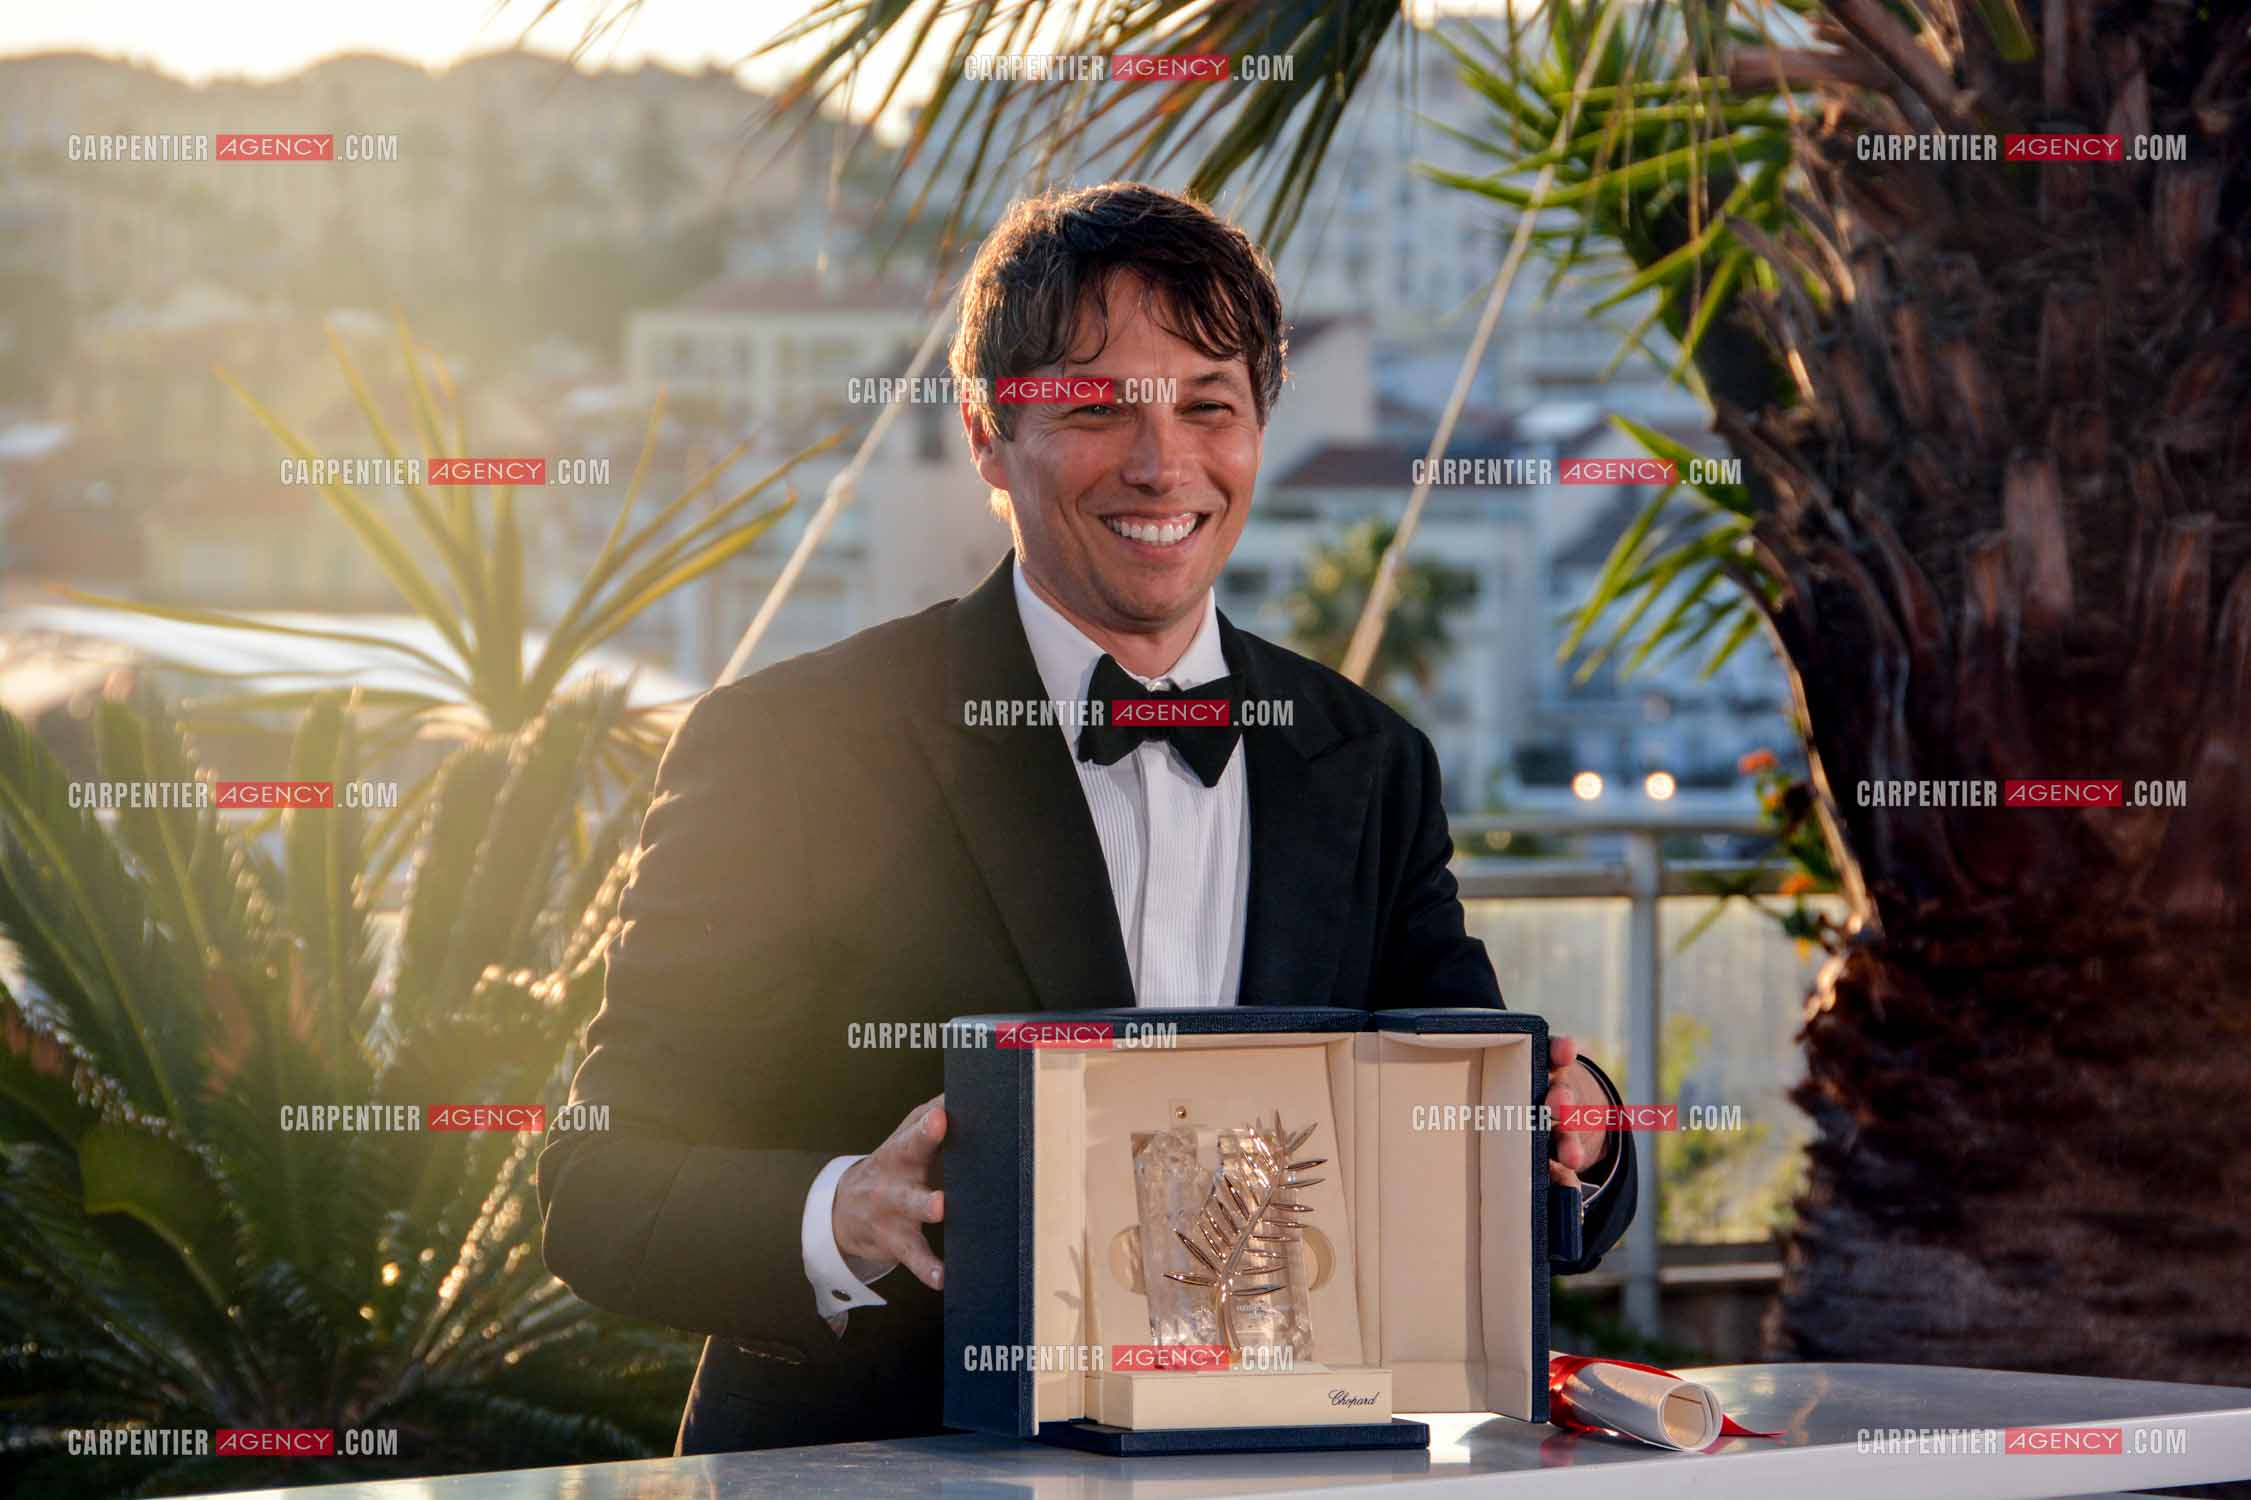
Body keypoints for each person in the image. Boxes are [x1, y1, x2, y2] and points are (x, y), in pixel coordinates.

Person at [537, 181, 1637, 1456]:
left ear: (1258, 431)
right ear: (987, 435)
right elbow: (597, 1189)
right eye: (1097, 406)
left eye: (1208, 406)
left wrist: (1578, 1128)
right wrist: (848, 1214)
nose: (1161, 463)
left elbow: (1480, 1118)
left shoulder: (1368, 760)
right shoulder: (791, 747)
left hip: (1276, 1473)